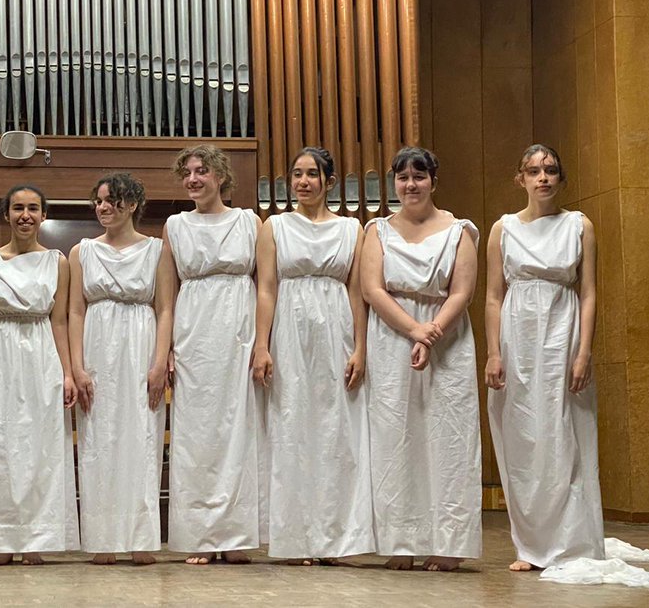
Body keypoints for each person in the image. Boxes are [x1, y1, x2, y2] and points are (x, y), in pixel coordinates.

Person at [361, 146, 481, 572]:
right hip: (393, 338)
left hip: (446, 340)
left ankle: (449, 544)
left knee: (448, 439)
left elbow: (463, 291)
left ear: (434, 180)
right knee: (396, 438)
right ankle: (400, 541)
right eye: (403, 177)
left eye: (419, 176)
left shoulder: (459, 230)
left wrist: (430, 335)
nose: (410, 185)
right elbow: (372, 289)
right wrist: (413, 330)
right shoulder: (375, 231)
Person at [252, 147, 373, 564]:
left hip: (335, 326)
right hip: (290, 326)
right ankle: (296, 538)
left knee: (336, 431)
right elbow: (266, 288)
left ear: (329, 182)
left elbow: (358, 291)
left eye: (312, 174)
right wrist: (262, 344)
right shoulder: (274, 227)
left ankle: (334, 539)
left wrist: (360, 346)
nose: (303, 182)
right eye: (297, 174)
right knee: (292, 428)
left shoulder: (351, 230)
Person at [486, 145, 603, 571]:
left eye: (550, 170)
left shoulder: (579, 225)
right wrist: (494, 352)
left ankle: (571, 542)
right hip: (519, 336)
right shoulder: (503, 229)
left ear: (560, 177)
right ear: (520, 179)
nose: (543, 178)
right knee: (524, 438)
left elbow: (588, 292)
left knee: (564, 435)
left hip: (563, 333)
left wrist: (584, 350)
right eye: (533, 171)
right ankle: (531, 545)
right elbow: (494, 296)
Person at [0, 184, 80, 564]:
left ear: (43, 215)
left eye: (33, 208)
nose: (25, 215)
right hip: (1, 352)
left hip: (42, 352)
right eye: (18, 208)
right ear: (7, 214)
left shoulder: (57, 262)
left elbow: (60, 321)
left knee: (40, 447)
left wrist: (67, 373)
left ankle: (36, 541)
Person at [159, 144, 264, 565]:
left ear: (220, 175)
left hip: (238, 329)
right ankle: (201, 536)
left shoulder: (249, 222)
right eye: (186, 172)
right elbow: (166, 299)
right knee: (197, 435)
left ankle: (235, 536)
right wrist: (164, 350)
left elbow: (268, 285)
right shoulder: (175, 226)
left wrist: (262, 343)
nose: (193, 179)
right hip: (194, 335)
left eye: (201, 170)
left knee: (238, 430)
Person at [69, 173, 167, 565]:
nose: (103, 208)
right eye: (99, 201)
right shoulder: (82, 252)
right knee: (99, 441)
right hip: (97, 345)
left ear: (132, 204)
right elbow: (75, 310)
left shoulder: (157, 250)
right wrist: (77, 367)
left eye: (112, 201)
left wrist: (160, 361)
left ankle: (141, 538)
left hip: (140, 343)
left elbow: (166, 308)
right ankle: (104, 538)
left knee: (142, 438)